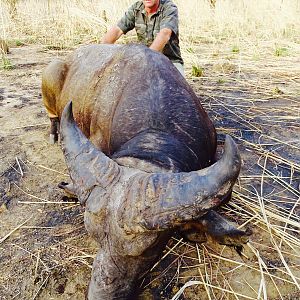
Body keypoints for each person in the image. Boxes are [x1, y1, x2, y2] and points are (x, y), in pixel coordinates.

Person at [101, 0, 184, 76]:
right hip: (143, 60)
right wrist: (102, 52)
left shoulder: (169, 8)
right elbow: (117, 30)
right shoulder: (136, 8)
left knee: (179, 89)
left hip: (170, 61)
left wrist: (147, 59)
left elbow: (165, 34)